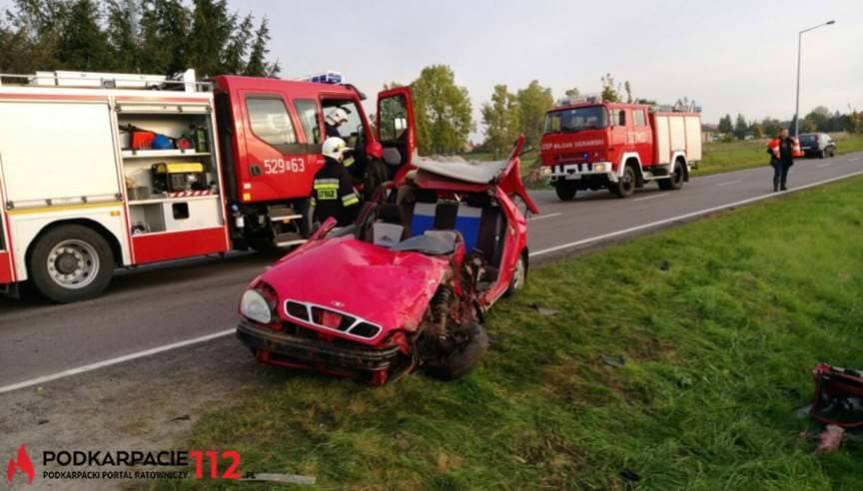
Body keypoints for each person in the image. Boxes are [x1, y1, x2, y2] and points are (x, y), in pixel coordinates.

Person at [311, 137, 360, 227]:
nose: (343, 156)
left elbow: (313, 204)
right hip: (342, 226)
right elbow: (350, 202)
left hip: (324, 226)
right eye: (342, 153)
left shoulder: (318, 174)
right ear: (337, 154)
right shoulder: (341, 173)